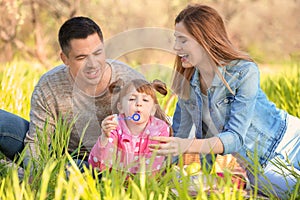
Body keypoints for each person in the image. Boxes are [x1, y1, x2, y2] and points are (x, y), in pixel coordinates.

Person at [149, 4, 300, 199]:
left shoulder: (243, 71)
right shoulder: (187, 85)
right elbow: (178, 135)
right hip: (259, 166)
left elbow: (235, 138)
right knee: (286, 191)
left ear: (204, 40)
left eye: (183, 40)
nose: (176, 48)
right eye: (176, 40)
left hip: (291, 139)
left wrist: (187, 145)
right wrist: (151, 172)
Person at [0, 16, 144, 168]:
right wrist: (35, 174)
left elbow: (157, 133)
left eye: (97, 53)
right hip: (58, 153)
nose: (93, 64)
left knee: (80, 170)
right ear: (65, 59)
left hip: (109, 162)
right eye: (81, 57)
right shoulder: (49, 86)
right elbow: (37, 141)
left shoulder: (130, 80)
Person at [88, 79, 171, 174]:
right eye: (132, 99)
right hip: (115, 181)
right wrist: (105, 137)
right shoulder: (115, 126)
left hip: (145, 182)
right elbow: (98, 167)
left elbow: (155, 164)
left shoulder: (159, 129)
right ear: (121, 108)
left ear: (153, 109)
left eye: (145, 100)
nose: (139, 103)